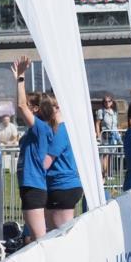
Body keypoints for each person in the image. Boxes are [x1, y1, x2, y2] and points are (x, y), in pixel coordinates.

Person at [13, 56, 52, 242]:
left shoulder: (40, 128)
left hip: (34, 185)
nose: (25, 107)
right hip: (29, 185)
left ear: (36, 109)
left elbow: (20, 105)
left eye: (30, 105)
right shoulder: (35, 130)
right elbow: (20, 105)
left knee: (39, 238)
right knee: (36, 236)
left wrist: (20, 78)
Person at [41, 95, 83, 231]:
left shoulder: (61, 131)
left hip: (62, 186)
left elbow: (46, 162)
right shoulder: (61, 129)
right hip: (62, 185)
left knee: (61, 234)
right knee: (55, 233)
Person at [95, 94, 120, 179]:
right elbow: (97, 123)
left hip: (114, 135)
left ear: (112, 102)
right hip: (105, 135)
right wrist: (98, 135)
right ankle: (104, 174)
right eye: (105, 101)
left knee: (111, 154)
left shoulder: (114, 111)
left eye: (109, 101)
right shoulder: (101, 111)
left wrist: (118, 134)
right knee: (105, 155)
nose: (107, 103)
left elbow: (116, 124)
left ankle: (109, 173)